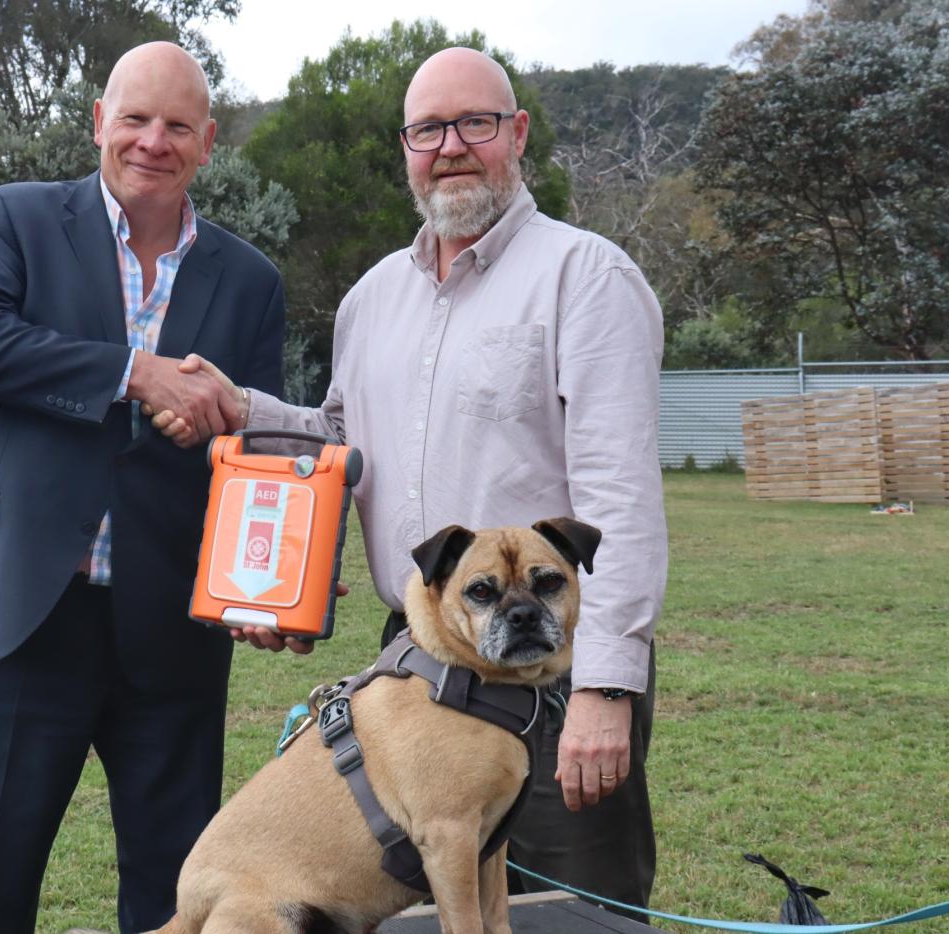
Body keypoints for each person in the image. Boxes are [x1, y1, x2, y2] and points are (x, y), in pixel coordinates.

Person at [153, 47, 667, 916]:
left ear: (518, 134)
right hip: (422, 658)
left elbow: (620, 499)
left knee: (579, 910)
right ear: (406, 147)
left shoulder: (586, 277)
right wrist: (239, 406)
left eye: (476, 123)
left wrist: (606, 693)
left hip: (557, 664)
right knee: (437, 910)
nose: (452, 146)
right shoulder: (371, 300)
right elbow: (344, 440)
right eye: (429, 129)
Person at [0, 41, 285, 934]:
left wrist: (275, 584)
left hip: (173, 634)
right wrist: (135, 373)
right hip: (21, 618)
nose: (151, 142)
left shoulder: (251, 281)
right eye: (134, 119)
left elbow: (265, 450)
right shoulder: (16, 219)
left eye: (176, 126)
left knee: (177, 904)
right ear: (98, 124)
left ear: (207, 143)